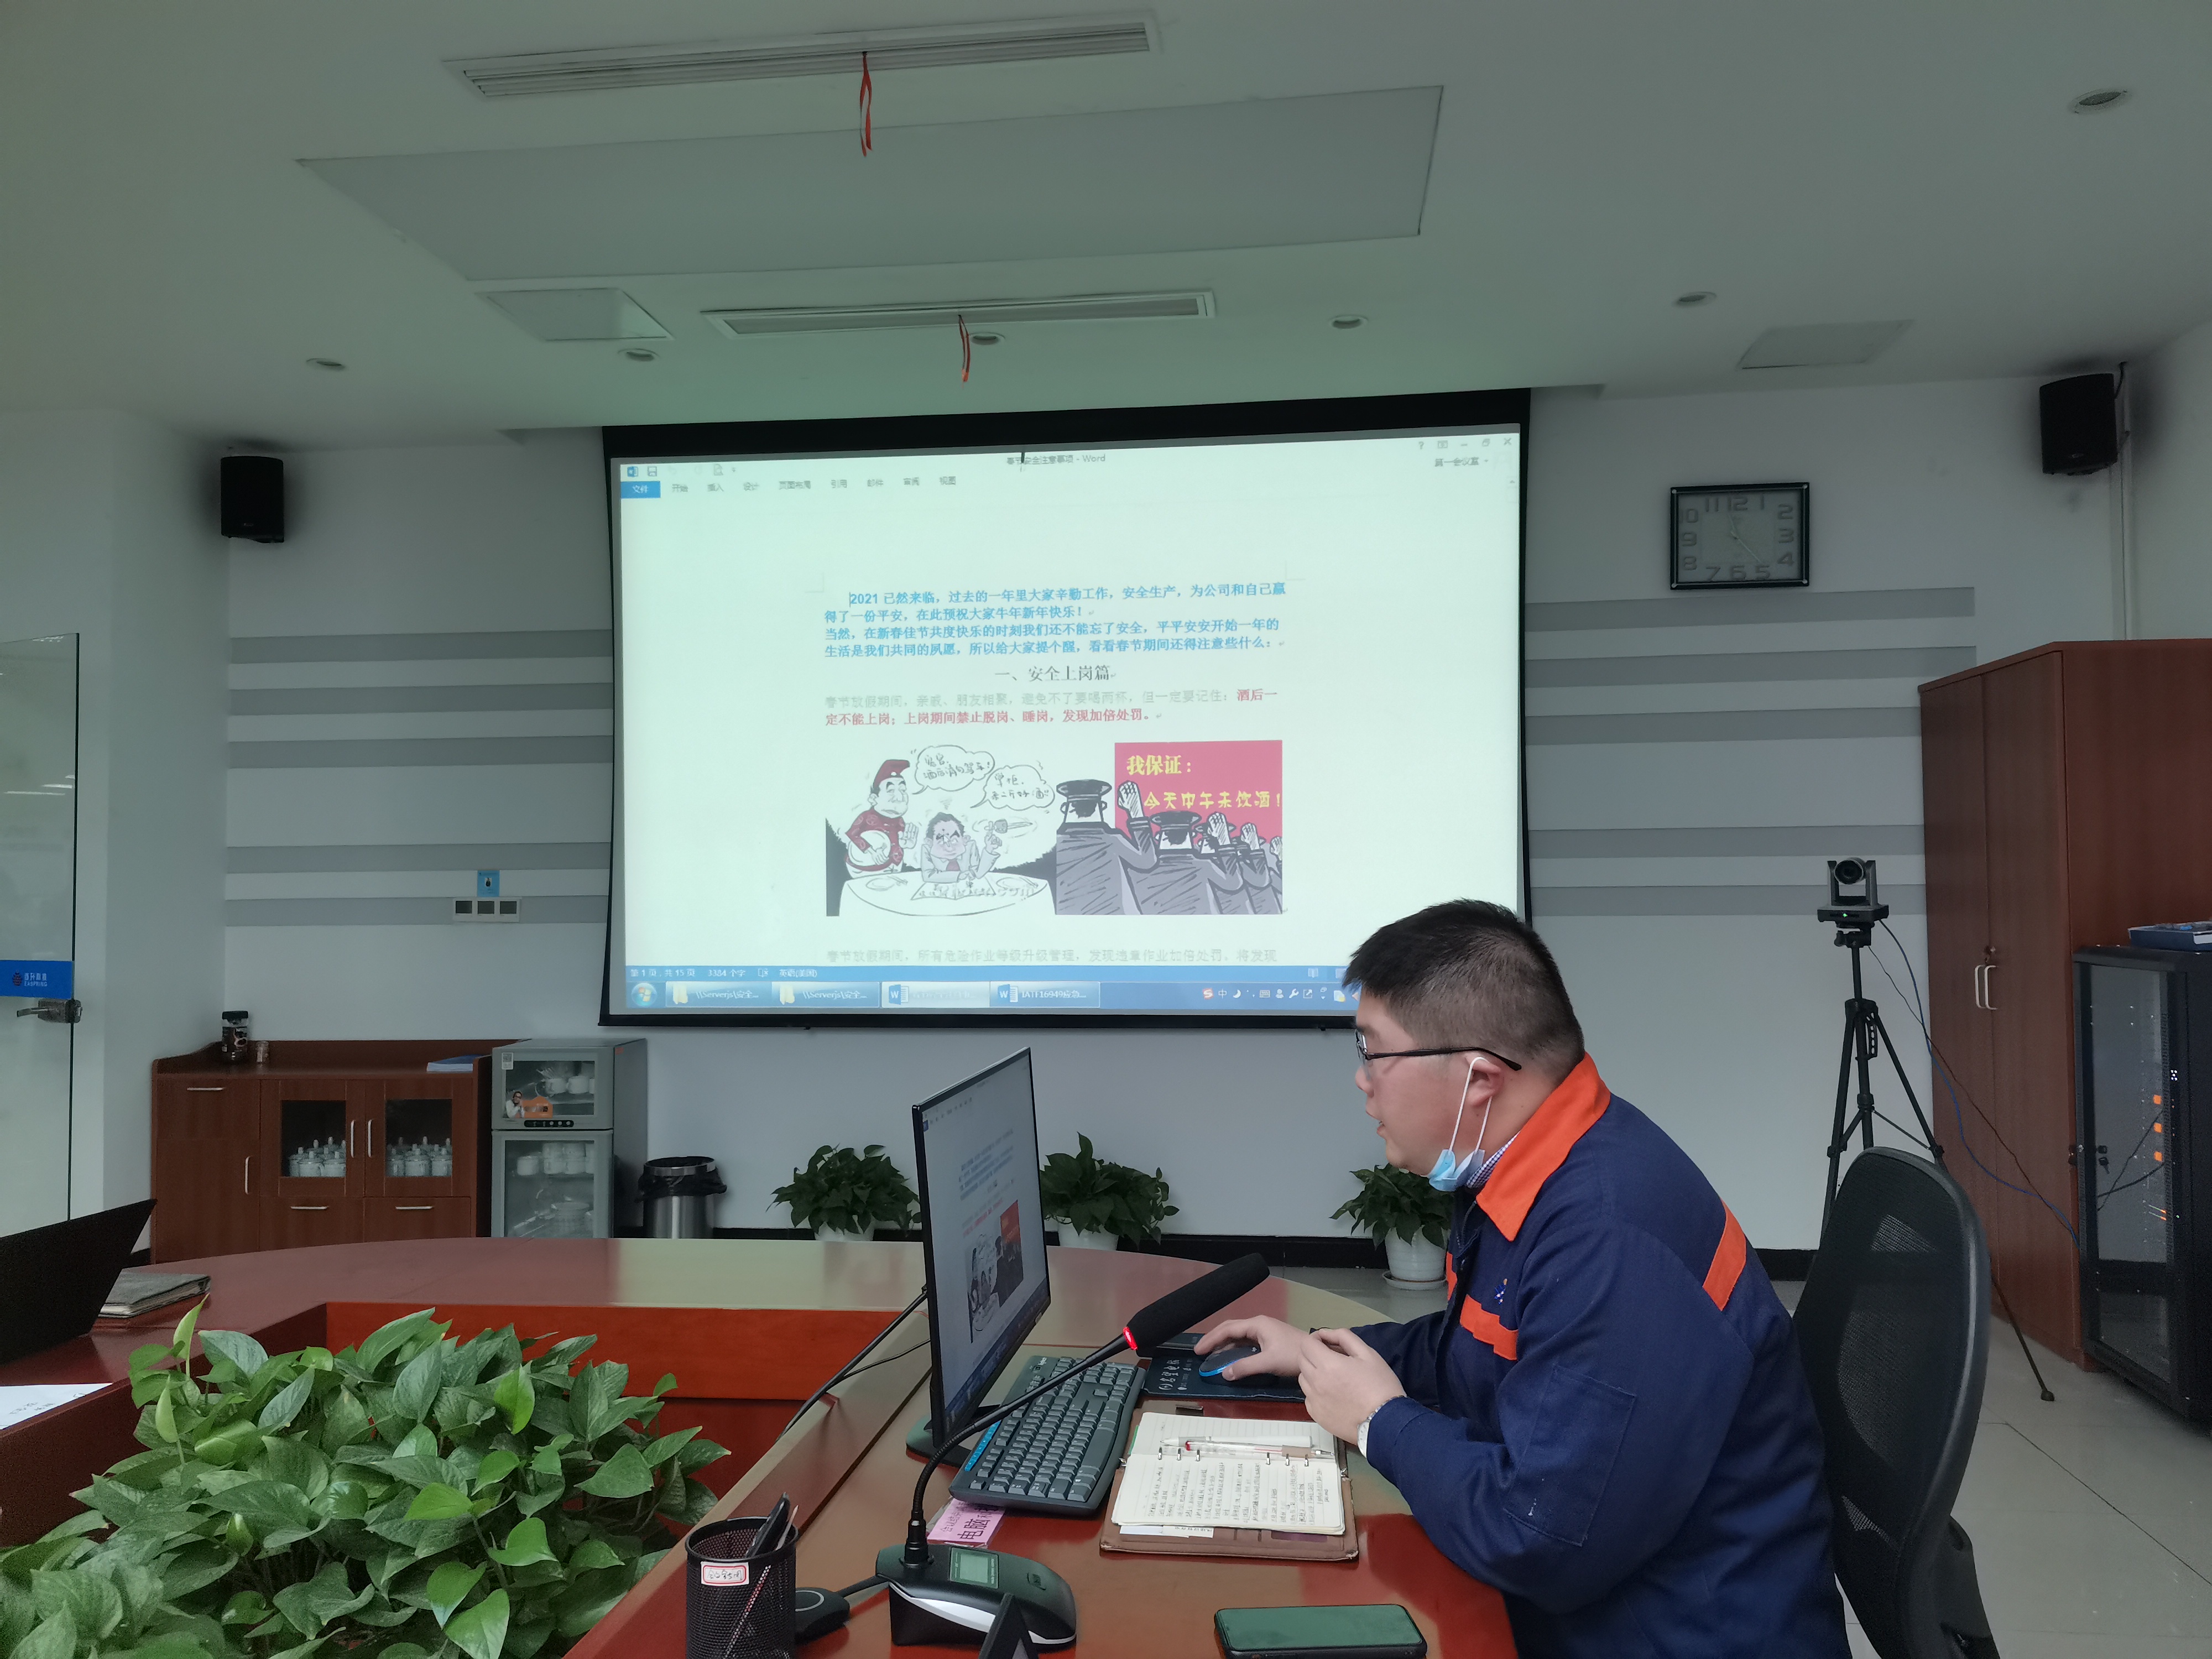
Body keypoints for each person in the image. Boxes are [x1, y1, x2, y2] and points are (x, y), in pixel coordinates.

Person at [1198, 900, 1846, 1658]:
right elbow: (1481, 1350)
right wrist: (1316, 1354)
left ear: (1478, 1078)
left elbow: (1540, 1541)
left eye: (1374, 1051)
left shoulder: (1609, 1238)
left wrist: (1378, 1421)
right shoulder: (1532, 1165)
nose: (1362, 1080)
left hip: (1676, 1633)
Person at [843, 759, 917, 875]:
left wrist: (906, 844)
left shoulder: (900, 821)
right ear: (874, 798)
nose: (899, 797)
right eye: (891, 791)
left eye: (903, 790)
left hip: (895, 867)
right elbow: (852, 834)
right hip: (866, 870)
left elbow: (897, 840)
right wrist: (871, 852)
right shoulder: (867, 817)